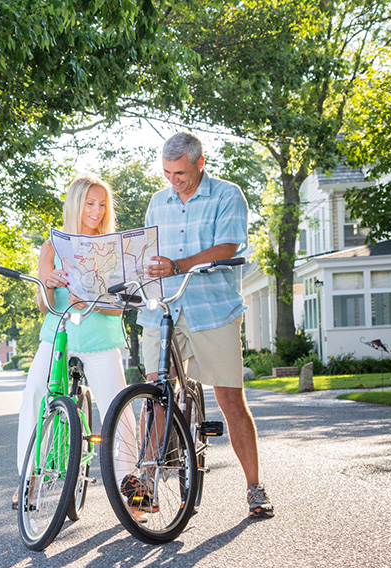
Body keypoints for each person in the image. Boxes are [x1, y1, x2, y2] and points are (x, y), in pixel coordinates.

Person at [142, 131, 274, 519]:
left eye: (179, 173)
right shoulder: (157, 202)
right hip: (163, 308)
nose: (173, 180)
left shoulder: (227, 195)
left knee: (231, 401)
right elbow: (149, 251)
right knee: (155, 395)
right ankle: (147, 484)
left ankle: (254, 488)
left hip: (212, 310)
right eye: (166, 173)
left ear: (200, 163)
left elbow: (228, 248)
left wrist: (179, 265)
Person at [14, 174, 127, 506]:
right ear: (75, 205)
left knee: (119, 408)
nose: (96, 211)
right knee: (35, 393)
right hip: (58, 334)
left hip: (101, 338)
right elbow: (43, 305)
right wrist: (48, 283)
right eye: (90, 203)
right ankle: (28, 479)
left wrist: (90, 301)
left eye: (102, 204)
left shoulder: (111, 248)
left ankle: (130, 483)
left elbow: (118, 311)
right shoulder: (52, 245)